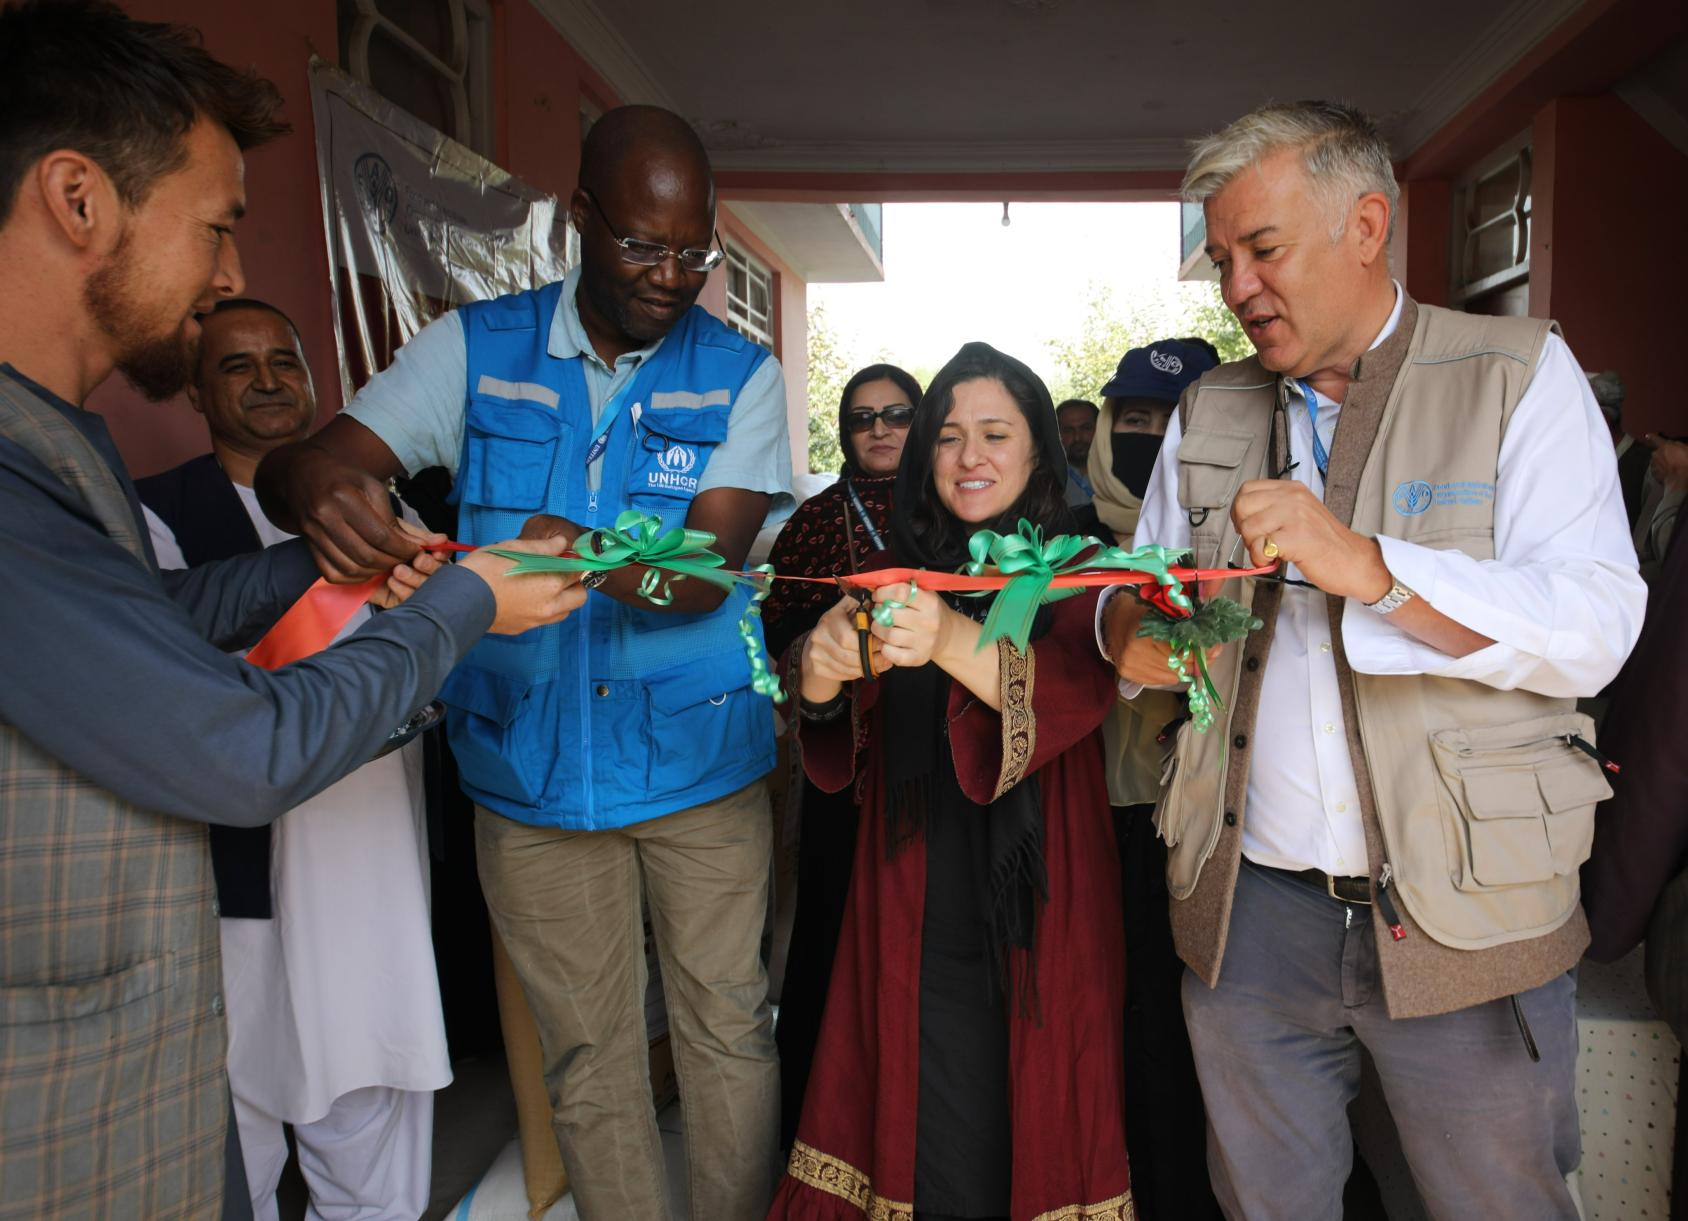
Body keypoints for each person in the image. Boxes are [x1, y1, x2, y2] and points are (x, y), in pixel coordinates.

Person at [0, 4, 583, 1217]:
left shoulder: (60, 442)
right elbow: (246, 745)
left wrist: (331, 569)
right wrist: (464, 602)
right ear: (76, 199)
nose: (230, 276)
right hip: (61, 1113)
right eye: (216, 227)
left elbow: (153, 612)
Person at [1101, 100, 1645, 1219]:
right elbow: (1127, 594)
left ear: (1364, 226)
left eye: (1262, 249)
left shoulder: (1517, 374)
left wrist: (1373, 571)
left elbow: (1595, 623)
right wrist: (1131, 637)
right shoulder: (1206, 406)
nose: (1237, 287)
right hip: (1248, 917)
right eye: (1221, 260)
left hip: (1466, 918)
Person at [255, 104, 793, 1219]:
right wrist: (311, 487)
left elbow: (701, 573)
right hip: (526, 777)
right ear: (580, 221)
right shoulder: (471, 349)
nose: (671, 275)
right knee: (588, 1056)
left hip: (699, 769)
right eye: (642, 245)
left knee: (726, 1031)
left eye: (693, 250)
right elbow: (313, 465)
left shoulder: (741, 371)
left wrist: (586, 554)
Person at [772, 342, 1131, 1221]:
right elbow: (835, 722)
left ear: (1041, 451)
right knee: (918, 1093)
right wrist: (819, 671)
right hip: (910, 876)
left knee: (1036, 1097)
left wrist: (941, 638)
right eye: (950, 437)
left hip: (1042, 888)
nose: (971, 457)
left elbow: (1075, 691)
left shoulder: (1084, 564)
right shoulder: (893, 565)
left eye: (996, 434)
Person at [137, 299, 449, 1221]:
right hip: (238, 870)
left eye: (286, 358)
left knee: (372, 1080)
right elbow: (190, 682)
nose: (269, 379)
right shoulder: (159, 516)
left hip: (368, 850)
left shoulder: (387, 509)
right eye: (238, 366)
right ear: (195, 391)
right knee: (240, 1104)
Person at [763, 362, 920, 1149]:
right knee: (830, 932)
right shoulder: (817, 518)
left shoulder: (954, 504)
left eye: (897, 413)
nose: (882, 428)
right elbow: (774, 626)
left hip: (938, 759)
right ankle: (820, 1128)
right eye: (864, 418)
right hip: (843, 755)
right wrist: (829, 641)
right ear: (846, 431)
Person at [1082, 337, 1222, 1221]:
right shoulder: (1055, 542)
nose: (1158, 438)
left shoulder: (1242, 541)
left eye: (1180, 420)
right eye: (1138, 420)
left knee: (1190, 1041)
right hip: (1091, 822)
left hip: (1204, 832)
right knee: (1108, 1026)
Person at [1056, 396, 1098, 506]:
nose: (1077, 438)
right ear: (1057, 434)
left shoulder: (1119, 472)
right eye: (1068, 431)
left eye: (1086, 428)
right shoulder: (1047, 478)